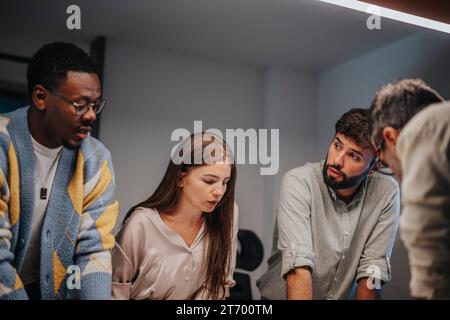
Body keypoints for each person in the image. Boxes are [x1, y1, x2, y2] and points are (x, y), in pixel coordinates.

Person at [0, 42, 118, 300]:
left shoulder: (96, 159)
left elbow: (94, 251)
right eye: (80, 105)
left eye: (96, 105)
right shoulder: (2, 143)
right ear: (41, 97)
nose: (91, 116)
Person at [257, 108, 400, 300]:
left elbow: (372, 271)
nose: (337, 160)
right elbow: (299, 269)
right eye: (337, 145)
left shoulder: (386, 192)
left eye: (354, 156)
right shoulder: (299, 182)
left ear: (374, 166)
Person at [112, 132, 238, 299]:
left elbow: (219, 285)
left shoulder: (228, 213)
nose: (219, 191)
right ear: (180, 178)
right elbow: (115, 292)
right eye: (209, 181)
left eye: (225, 182)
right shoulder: (141, 224)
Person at [369, 78, 450, 299]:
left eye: (386, 163)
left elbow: (427, 230)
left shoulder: (424, 128)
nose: (397, 174)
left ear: (390, 137)